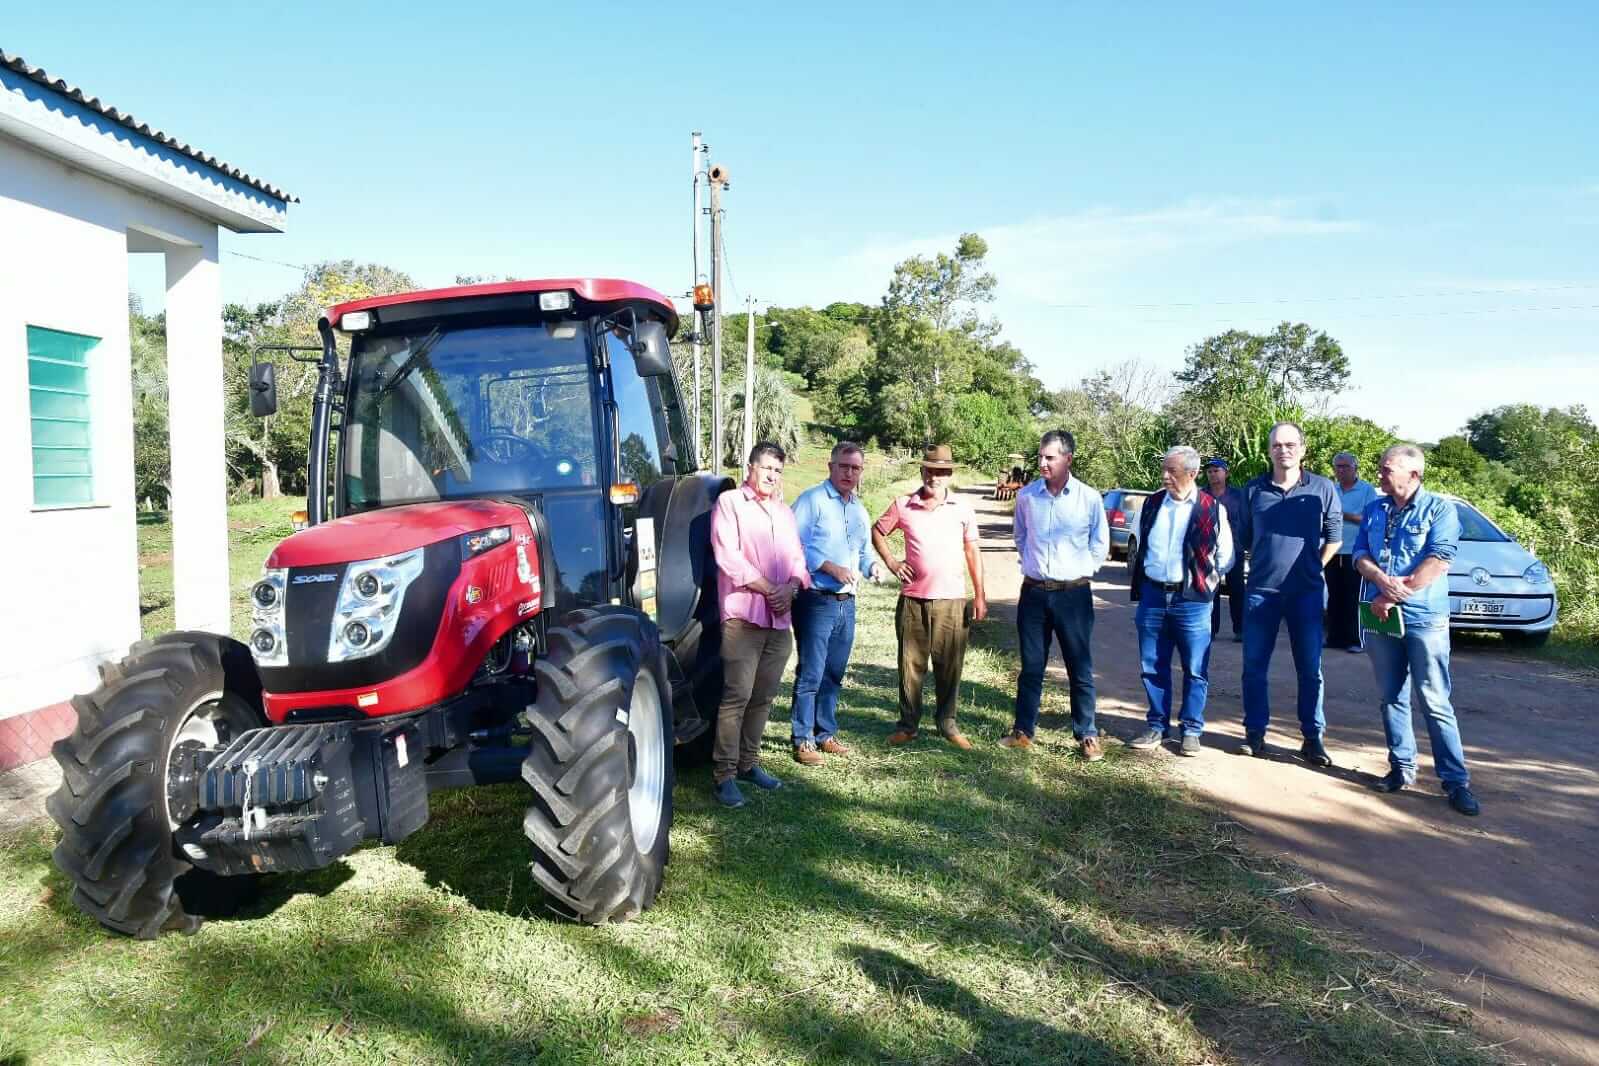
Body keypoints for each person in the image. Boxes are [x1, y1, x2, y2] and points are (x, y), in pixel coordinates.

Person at [1352, 444, 1479, 816]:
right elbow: (1359, 553)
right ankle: (1401, 768)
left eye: (1387, 470)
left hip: (1424, 618)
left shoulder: (1441, 509)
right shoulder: (1375, 508)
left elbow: (1439, 560)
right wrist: (1378, 578)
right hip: (1381, 615)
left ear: (1414, 475)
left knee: (1435, 701)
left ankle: (1455, 782)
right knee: (1392, 695)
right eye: (1381, 469)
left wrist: (1393, 595)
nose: (1380, 475)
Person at [708, 442, 812, 808]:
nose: (771, 475)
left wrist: (792, 587)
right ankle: (724, 775)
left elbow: (798, 557)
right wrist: (771, 590)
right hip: (744, 616)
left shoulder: (783, 512)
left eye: (777, 470)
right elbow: (728, 557)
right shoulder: (730, 504)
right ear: (749, 467)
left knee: (763, 697)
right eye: (766, 467)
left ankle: (749, 763)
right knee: (737, 696)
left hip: (779, 619)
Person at [1236, 421, 1342, 766]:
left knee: (1310, 668)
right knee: (1254, 666)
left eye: (1291, 444)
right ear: (1269, 450)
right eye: (1278, 445)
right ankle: (1254, 733)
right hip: (1261, 592)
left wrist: (1314, 565)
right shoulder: (1253, 490)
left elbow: (1335, 536)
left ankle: (1313, 738)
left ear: (1303, 449)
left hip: (1306, 593)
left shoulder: (1323, 489)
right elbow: (1246, 537)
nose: (1284, 450)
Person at [1002, 430, 1109, 759]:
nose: (1043, 463)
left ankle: (1087, 734)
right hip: (1034, 593)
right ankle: (1023, 731)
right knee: (1032, 665)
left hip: (1073, 595)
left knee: (1079, 666)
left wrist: (1079, 570)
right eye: (1040, 457)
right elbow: (1021, 536)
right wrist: (1035, 566)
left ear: (1068, 459)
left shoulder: (1089, 498)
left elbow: (1099, 543)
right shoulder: (1028, 496)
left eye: (1050, 457)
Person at [872, 444, 987, 749]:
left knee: (950, 665)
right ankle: (908, 725)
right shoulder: (902, 504)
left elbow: (972, 551)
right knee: (911, 666)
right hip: (913, 600)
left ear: (949, 474)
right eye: (930, 470)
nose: (935, 476)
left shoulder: (962, 509)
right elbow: (878, 531)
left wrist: (980, 596)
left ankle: (948, 724)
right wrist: (893, 563)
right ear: (922, 471)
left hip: (952, 601)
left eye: (942, 471)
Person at [1127, 447, 1234, 756]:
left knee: (1195, 667)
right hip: (1154, 596)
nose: (1164, 476)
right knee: (1152, 664)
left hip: (1194, 601)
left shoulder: (1211, 508)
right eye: (1164, 469)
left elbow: (1225, 557)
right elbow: (1140, 543)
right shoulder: (1152, 504)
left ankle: (1191, 729)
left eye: (1171, 471)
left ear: (1191, 474)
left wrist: (1204, 583)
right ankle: (1157, 725)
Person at [788, 441, 880, 766]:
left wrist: (873, 567)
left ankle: (825, 733)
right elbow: (792, 543)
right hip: (816, 600)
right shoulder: (812, 501)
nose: (849, 473)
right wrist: (829, 566)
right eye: (843, 466)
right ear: (831, 467)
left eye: (855, 468)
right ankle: (803, 739)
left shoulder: (859, 509)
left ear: (861, 472)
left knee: (834, 673)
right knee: (811, 672)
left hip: (846, 603)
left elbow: (865, 551)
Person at [1326, 451, 1378, 653]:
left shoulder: (1366, 490)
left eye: (1345, 466)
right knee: (1334, 596)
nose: (1340, 470)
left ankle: (1356, 640)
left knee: (1353, 597)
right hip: (1332, 551)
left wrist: (1343, 515)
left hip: (1356, 553)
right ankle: (1334, 638)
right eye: (1337, 466)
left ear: (1355, 468)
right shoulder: (1332, 489)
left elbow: (1371, 520)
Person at [1203, 457, 1246, 642]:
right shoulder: (1201, 495)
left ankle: (1241, 629)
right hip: (1207, 551)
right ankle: (1210, 629)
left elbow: (1246, 521)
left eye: (1217, 471)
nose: (1213, 474)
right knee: (1211, 589)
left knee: (1237, 589)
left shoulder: (1239, 496)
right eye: (1210, 471)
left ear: (1226, 473)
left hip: (1234, 549)